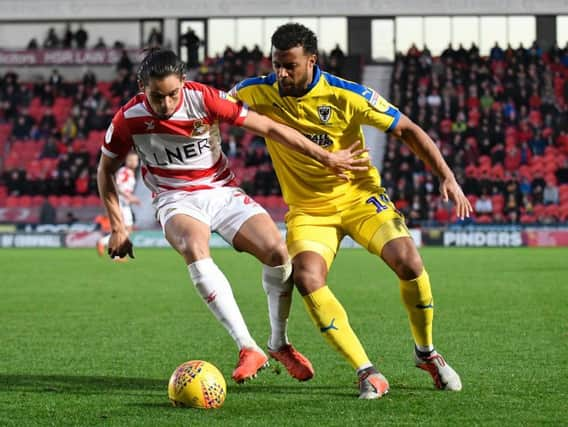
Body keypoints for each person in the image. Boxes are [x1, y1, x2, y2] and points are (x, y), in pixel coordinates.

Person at [231, 23, 473, 399]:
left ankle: (426, 353)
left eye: (290, 65)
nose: (281, 74)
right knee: (307, 277)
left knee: (409, 262)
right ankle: (367, 371)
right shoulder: (255, 91)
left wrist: (447, 177)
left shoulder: (347, 95)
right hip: (310, 212)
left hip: (360, 198)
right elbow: (209, 107)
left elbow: (407, 129)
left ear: (312, 61)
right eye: (277, 64)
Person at [97, 49, 366, 384]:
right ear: (141, 87)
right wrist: (119, 227)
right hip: (174, 198)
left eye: (172, 94)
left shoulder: (206, 99)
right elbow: (104, 170)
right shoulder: (128, 118)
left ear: (184, 83)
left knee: (278, 254)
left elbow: (269, 127)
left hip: (222, 191)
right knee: (195, 245)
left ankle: (278, 342)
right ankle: (247, 346)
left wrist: (326, 157)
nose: (166, 104)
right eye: (156, 96)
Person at [97, 151, 140, 258]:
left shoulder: (130, 173)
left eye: (136, 160)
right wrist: (129, 197)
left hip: (125, 203)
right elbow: (117, 187)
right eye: (132, 160)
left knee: (128, 229)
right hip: (120, 202)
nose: (134, 162)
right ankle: (116, 253)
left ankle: (105, 243)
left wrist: (129, 198)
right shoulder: (124, 172)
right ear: (127, 161)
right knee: (124, 229)